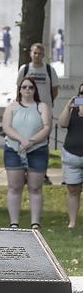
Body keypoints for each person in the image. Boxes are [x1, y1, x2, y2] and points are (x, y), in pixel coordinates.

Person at [2, 77, 52, 229]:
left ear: (35, 90)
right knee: (15, 187)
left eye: (31, 87)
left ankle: (35, 223)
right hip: (13, 150)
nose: (27, 90)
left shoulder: (41, 106)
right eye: (24, 87)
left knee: (35, 187)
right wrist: (21, 140)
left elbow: (47, 127)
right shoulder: (12, 107)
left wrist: (31, 141)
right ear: (20, 89)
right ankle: (14, 223)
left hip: (37, 150)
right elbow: (7, 127)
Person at [57, 83, 83, 228]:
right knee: (73, 189)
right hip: (72, 156)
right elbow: (62, 123)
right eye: (81, 93)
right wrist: (68, 107)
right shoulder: (72, 109)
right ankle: (72, 222)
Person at [17, 43, 58, 112]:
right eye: (35, 53)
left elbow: (55, 90)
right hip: (27, 108)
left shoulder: (50, 70)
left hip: (45, 108)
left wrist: (47, 102)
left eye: (40, 53)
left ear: (43, 55)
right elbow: (19, 88)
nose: (37, 55)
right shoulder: (24, 69)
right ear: (30, 54)